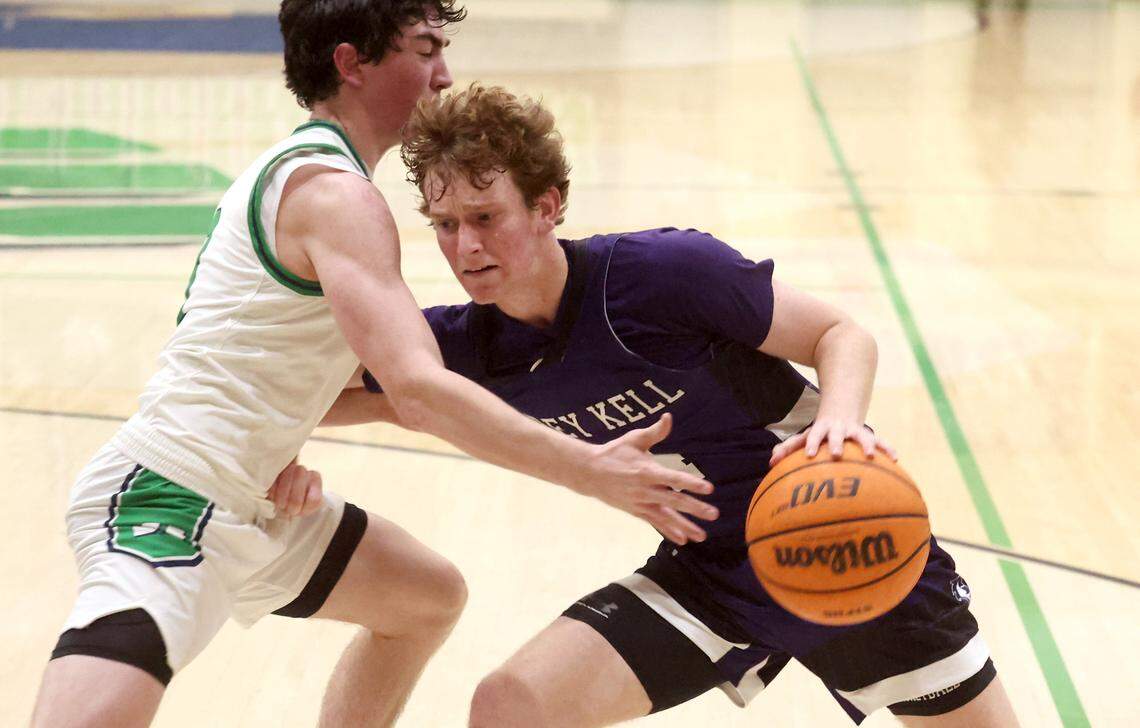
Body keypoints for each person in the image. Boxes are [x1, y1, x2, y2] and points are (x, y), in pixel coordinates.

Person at [29, 5, 714, 727]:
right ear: (354, 64)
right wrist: (588, 467)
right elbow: (416, 389)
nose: (443, 74)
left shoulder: (313, 177)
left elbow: (313, 377)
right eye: (425, 49)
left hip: (252, 499)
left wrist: (277, 445)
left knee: (424, 598)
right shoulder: (335, 196)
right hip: (169, 496)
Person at [319, 84, 1021, 727]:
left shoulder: (662, 276)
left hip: (844, 540)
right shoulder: (464, 346)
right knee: (511, 706)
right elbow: (356, 397)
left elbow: (842, 334)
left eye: (484, 216)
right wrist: (259, 448)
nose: (464, 246)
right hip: (713, 572)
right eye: (443, 224)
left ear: (547, 205)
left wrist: (839, 418)